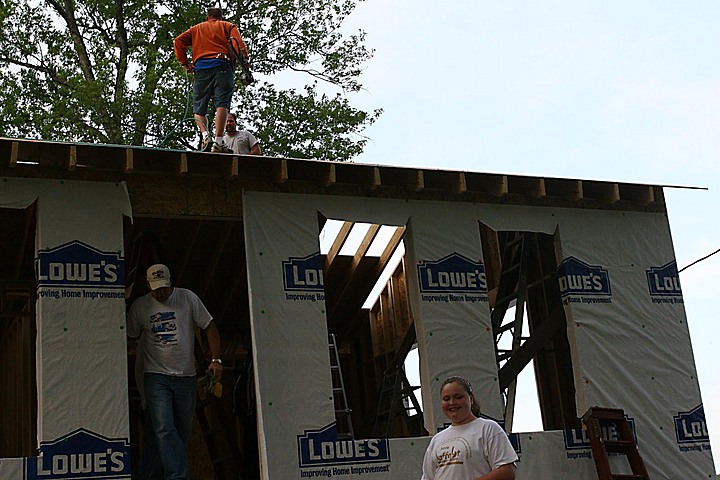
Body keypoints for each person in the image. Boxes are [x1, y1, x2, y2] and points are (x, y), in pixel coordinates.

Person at [127, 264, 223, 479]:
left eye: (164, 288)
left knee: (179, 432)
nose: (160, 293)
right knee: (164, 428)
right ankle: (177, 476)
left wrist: (216, 359)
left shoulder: (187, 298)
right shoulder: (139, 307)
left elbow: (209, 325)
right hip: (156, 376)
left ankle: (145, 475)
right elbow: (131, 338)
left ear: (171, 283)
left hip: (186, 377)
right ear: (148, 285)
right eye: (156, 288)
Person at [174, 7, 248, 153]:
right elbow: (237, 44)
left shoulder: (196, 29)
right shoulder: (227, 26)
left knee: (199, 107)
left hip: (201, 70)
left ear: (207, 17)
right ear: (220, 17)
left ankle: (205, 136)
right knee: (222, 104)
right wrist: (244, 60)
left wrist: (185, 63)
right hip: (222, 66)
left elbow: (178, 41)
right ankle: (219, 142)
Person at [421, 376, 517, 480]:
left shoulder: (488, 428)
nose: (452, 403)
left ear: (470, 399)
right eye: (446, 399)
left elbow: (507, 471)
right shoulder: (436, 440)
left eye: (458, 397)